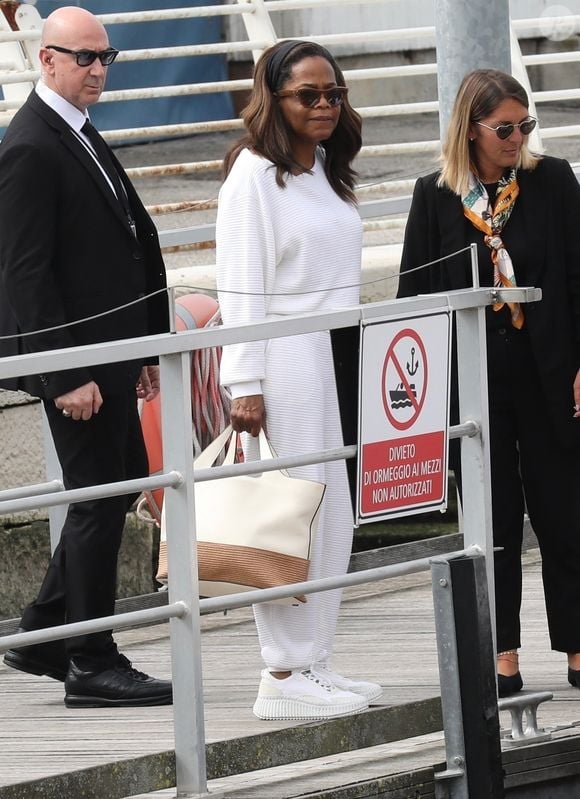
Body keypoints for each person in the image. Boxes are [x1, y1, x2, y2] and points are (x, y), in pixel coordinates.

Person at [0, 7, 171, 708]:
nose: (99, 69)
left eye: (108, 58)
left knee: (121, 477)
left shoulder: (73, 127)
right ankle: (91, 659)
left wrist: (148, 344)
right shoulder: (32, 144)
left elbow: (128, 238)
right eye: (85, 58)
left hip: (111, 352)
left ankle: (45, 632)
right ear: (46, 59)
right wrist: (64, 374)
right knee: (100, 493)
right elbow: (23, 273)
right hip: (77, 361)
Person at [397, 68, 580, 697]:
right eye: (504, 128)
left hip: (549, 371)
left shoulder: (550, 181)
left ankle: (579, 646)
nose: (517, 138)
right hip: (473, 384)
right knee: (493, 518)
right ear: (469, 130)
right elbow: (412, 301)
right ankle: (503, 654)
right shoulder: (434, 196)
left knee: (565, 510)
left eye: (525, 126)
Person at [215, 40, 382, 721]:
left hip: (329, 346)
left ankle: (312, 659)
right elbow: (242, 282)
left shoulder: (321, 170)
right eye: (307, 95)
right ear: (273, 98)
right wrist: (243, 379)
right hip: (280, 355)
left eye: (332, 94)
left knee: (332, 515)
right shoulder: (254, 174)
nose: (323, 105)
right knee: (291, 515)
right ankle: (280, 670)